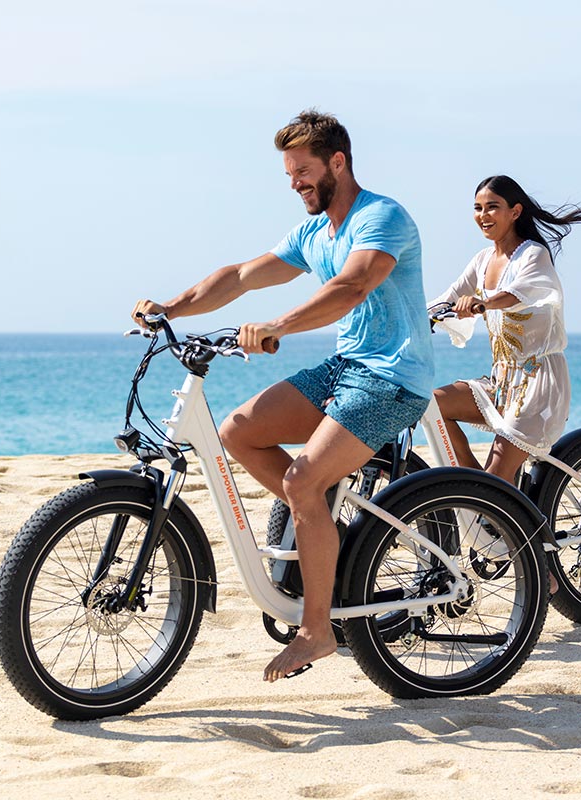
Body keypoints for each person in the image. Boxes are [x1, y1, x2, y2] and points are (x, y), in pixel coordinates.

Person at [131, 110, 433, 682]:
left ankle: (317, 633)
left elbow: (352, 286)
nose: (294, 183)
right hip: (346, 366)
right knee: (239, 431)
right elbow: (242, 275)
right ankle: (324, 532)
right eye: (289, 173)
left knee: (301, 481)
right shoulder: (313, 233)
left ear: (337, 163)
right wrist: (170, 307)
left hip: (393, 378)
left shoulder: (382, 218)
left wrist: (276, 327)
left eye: (302, 171)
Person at [430, 175, 581, 485]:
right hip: (501, 382)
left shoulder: (533, 255)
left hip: (538, 383)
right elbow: (449, 297)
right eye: (478, 208)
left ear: (515, 211)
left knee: (498, 478)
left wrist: (483, 303)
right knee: (432, 405)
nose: (483, 216)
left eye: (492, 207)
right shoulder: (483, 260)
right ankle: (475, 492)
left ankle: (489, 497)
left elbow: (520, 292)